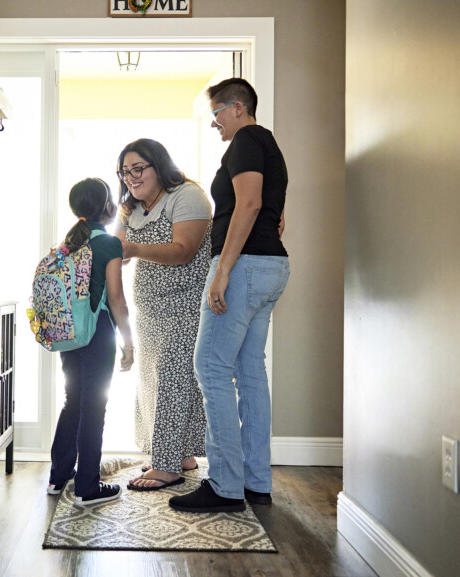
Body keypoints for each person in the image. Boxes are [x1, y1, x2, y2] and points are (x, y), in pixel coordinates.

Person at [169, 78, 290, 514]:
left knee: (210, 367)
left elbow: (250, 204)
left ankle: (223, 485)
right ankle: (256, 481)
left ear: (237, 107)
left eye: (216, 114)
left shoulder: (243, 141)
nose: (214, 123)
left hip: (245, 268)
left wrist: (222, 272)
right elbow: (271, 211)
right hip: (271, 266)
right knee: (249, 370)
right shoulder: (268, 145)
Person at [112, 139, 213, 491]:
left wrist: (133, 248)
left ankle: (168, 466)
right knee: (153, 384)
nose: (131, 177)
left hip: (186, 305)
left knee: (174, 379)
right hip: (150, 312)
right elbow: (118, 251)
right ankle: (178, 454)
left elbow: (184, 251)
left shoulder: (186, 196)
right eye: (125, 172)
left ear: (159, 165)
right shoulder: (131, 208)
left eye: (138, 168)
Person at [47, 177, 136, 505]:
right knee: (94, 406)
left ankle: (58, 478)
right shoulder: (108, 244)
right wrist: (129, 343)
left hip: (69, 334)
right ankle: (87, 486)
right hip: (97, 334)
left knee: (74, 401)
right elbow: (117, 299)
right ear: (107, 207)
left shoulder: (69, 243)